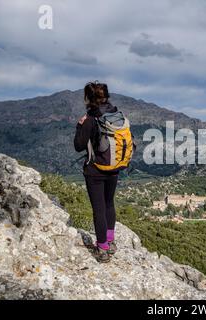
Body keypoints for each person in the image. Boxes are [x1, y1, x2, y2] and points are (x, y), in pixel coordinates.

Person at [74, 81, 120, 263]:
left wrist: (80, 126)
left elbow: (78, 146)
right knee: (109, 204)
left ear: (88, 98)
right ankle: (110, 241)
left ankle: (102, 249)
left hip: (96, 171)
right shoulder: (116, 116)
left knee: (99, 209)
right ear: (106, 96)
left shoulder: (91, 119)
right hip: (114, 168)